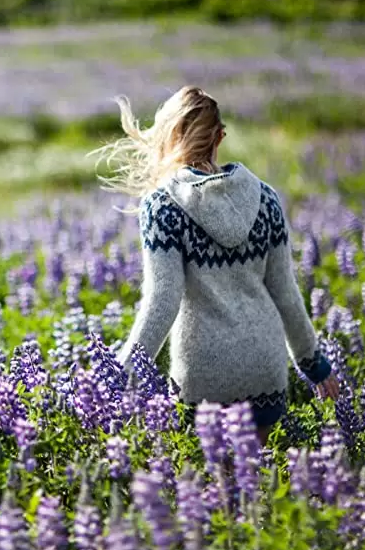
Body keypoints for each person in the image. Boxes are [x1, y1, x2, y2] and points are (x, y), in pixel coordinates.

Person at [92, 86, 339, 445]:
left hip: (203, 373)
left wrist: (120, 372)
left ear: (168, 136)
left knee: (215, 476)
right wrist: (314, 364)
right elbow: (285, 293)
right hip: (264, 369)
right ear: (220, 136)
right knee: (253, 471)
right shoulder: (266, 199)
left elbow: (163, 301)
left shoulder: (163, 207)